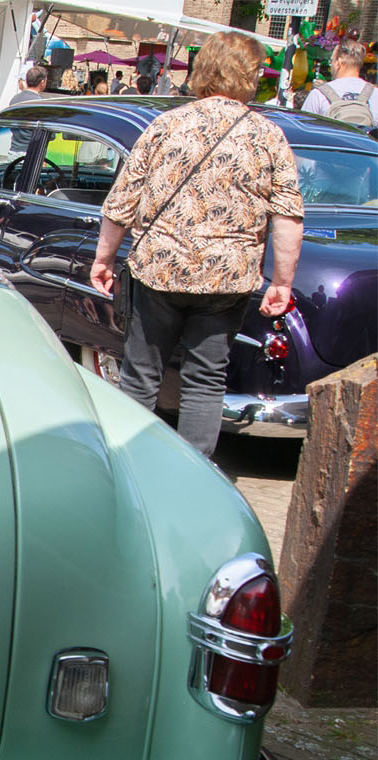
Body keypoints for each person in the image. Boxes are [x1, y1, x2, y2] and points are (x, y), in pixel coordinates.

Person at [88, 31, 302, 457]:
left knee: (140, 376)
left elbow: (121, 202)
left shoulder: (166, 125)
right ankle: (192, 479)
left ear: (204, 70)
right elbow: (288, 217)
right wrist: (282, 281)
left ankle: (129, 464)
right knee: (205, 380)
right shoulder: (268, 136)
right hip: (227, 278)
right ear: (251, 77)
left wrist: (104, 258)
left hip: (159, 269)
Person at [302, 38, 378, 127]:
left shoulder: (319, 94)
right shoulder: (374, 93)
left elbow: (304, 129)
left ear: (339, 62)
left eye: (332, 61)